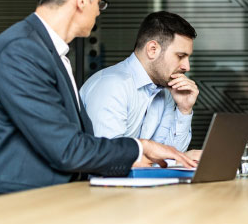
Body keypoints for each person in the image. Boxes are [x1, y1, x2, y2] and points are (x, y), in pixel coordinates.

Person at [0, 0, 194, 196]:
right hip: (16, 206)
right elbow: (67, 149)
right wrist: (140, 147)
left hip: (45, 200)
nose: (100, 11)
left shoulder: (48, 51)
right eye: (99, 2)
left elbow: (76, 141)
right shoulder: (21, 51)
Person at [80, 11, 200, 164]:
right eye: (180, 56)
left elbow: (167, 156)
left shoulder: (166, 92)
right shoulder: (112, 86)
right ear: (152, 50)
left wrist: (184, 110)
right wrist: (182, 158)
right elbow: (110, 161)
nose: (187, 67)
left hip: (139, 185)